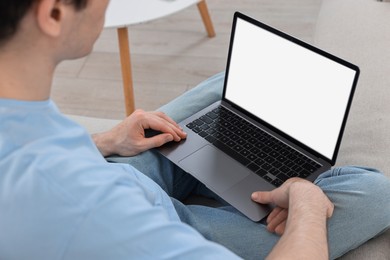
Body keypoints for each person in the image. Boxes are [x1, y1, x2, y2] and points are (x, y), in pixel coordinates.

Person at [0, 0, 389, 259]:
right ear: (52, 13)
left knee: (236, 84)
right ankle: (262, 181)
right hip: (163, 216)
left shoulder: (21, 110)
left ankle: (226, 160)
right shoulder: (97, 213)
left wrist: (106, 140)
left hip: (120, 173)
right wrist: (305, 201)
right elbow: (79, 203)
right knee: (377, 194)